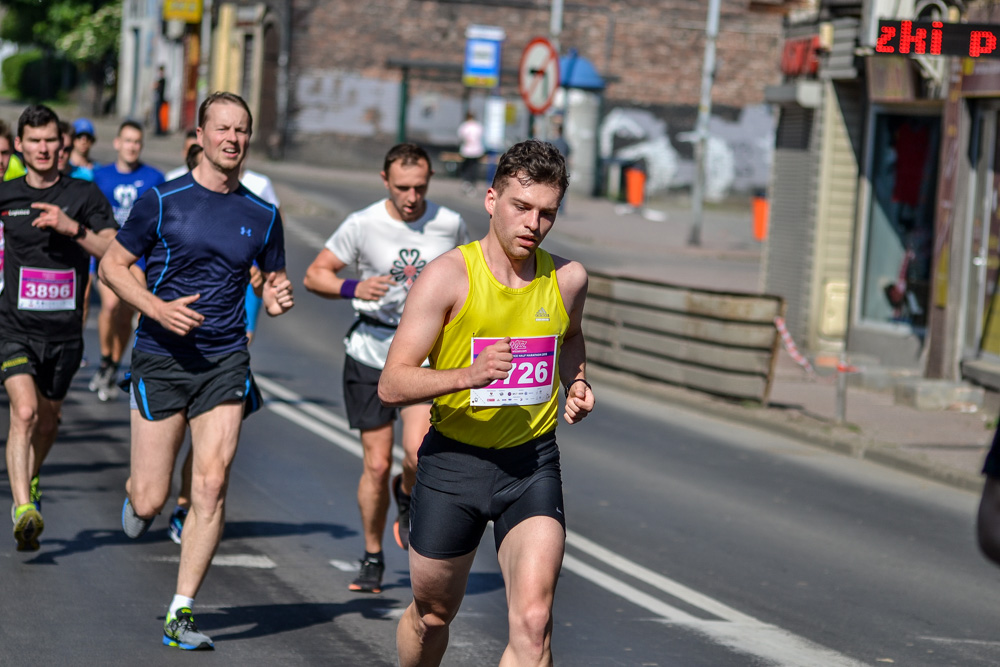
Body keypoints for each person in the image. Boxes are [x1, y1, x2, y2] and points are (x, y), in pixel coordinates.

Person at [378, 139, 594, 665]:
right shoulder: (448, 276)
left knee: (534, 623)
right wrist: (468, 376)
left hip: (531, 463)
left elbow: (569, 337)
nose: (533, 224)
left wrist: (577, 382)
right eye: (522, 207)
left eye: (547, 213)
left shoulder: (568, 279)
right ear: (492, 200)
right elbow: (392, 384)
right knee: (432, 615)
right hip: (454, 463)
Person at [98, 91, 294, 650]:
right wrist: (155, 308)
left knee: (211, 483)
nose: (233, 138)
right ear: (201, 135)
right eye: (222, 128)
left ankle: (180, 611)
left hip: (224, 359)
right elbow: (113, 265)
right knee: (150, 499)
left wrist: (275, 297)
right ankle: (139, 496)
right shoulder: (162, 201)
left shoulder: (263, 215)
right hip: (161, 356)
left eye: (241, 130)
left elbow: (271, 280)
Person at [303, 143, 468, 593]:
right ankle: (372, 555)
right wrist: (353, 287)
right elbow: (315, 274)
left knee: (417, 453)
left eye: (420, 187)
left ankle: (407, 492)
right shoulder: (362, 224)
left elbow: (471, 275)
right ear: (384, 181)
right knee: (376, 465)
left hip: (422, 355)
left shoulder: (450, 223)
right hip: (370, 353)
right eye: (402, 187)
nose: (412, 197)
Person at [1, 104, 117, 551]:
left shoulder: (84, 195)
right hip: (13, 327)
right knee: (24, 413)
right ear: (20, 146)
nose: (43, 148)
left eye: (50, 139)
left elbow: (113, 251)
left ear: (61, 143)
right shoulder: (6, 195)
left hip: (65, 334)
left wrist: (74, 230)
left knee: (48, 423)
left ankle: (30, 479)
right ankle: (22, 508)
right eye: (34, 141)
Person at [162, 141, 280, 546]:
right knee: (156, 471)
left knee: (208, 443)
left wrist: (260, 298)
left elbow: (269, 269)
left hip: (227, 341)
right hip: (171, 344)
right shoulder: (168, 198)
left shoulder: (257, 197)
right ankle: (149, 492)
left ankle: (185, 505)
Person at [90, 121, 166, 400]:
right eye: (127, 140)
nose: (132, 146)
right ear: (117, 143)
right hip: (107, 252)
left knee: (128, 313)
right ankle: (105, 359)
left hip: (139, 257)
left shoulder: (154, 177)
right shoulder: (100, 176)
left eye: (137, 142)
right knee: (110, 305)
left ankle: (113, 363)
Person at [457, 111, 484, 196]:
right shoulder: (478, 126)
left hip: (467, 150)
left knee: (466, 167)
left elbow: (461, 137)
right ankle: (472, 184)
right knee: (474, 168)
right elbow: (481, 137)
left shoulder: (464, 126)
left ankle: (466, 182)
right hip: (477, 150)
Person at [154, 66, 168, 136]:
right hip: (159, 99)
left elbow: (156, 87)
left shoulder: (162, 80)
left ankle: (159, 130)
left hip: (160, 100)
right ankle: (158, 129)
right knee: (157, 115)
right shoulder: (161, 80)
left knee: (159, 115)